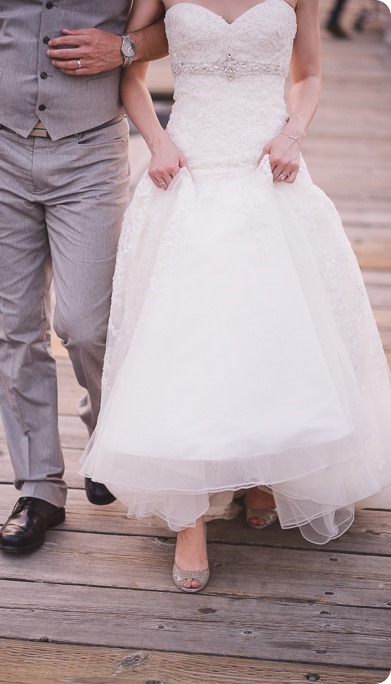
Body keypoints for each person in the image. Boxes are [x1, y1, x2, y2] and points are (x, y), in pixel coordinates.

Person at [79, 0, 391, 593]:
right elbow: (131, 73)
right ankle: (190, 519)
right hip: (187, 167)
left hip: (266, 166)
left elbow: (309, 75)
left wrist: (292, 135)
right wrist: (158, 142)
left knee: (270, 329)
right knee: (189, 339)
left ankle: (260, 471)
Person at [0, 1, 168, 554]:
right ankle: (39, 487)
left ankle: (105, 434)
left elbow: (191, 21)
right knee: (15, 326)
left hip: (90, 149)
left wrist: (128, 48)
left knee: (87, 324)